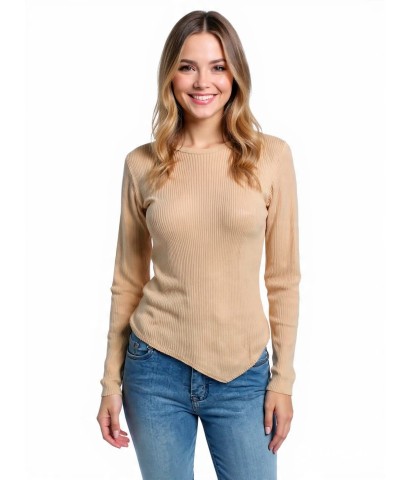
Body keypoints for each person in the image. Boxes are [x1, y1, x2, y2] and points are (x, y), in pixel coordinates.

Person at [96, 10, 301, 480]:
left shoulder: (271, 158)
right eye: (187, 66)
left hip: (243, 374)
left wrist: (283, 380)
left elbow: (284, 279)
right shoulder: (142, 164)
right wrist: (110, 382)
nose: (202, 81)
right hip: (154, 370)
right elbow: (127, 282)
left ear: (236, 74)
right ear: (170, 75)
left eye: (218, 66)